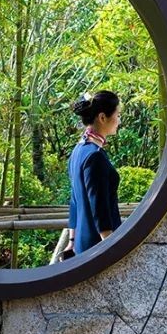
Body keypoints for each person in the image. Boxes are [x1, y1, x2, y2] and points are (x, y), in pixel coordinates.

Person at [62, 90, 123, 258]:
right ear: (102, 117)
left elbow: (74, 200)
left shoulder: (78, 150)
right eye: (118, 115)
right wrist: (111, 249)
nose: (119, 120)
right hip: (98, 247)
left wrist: (72, 241)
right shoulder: (95, 156)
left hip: (83, 244)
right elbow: (100, 209)